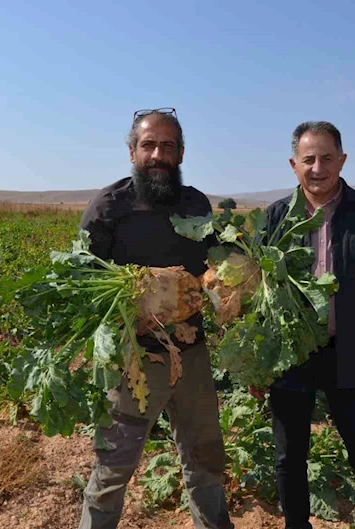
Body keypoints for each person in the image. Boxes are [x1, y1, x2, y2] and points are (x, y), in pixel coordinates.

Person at [77, 108, 234, 529]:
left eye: (167, 146)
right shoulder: (109, 206)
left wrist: (230, 284)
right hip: (134, 361)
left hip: (192, 354)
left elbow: (212, 266)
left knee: (205, 459)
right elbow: (83, 283)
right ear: (133, 151)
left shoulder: (196, 203)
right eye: (149, 145)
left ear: (181, 153)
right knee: (113, 469)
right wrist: (132, 309)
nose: (158, 154)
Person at [255, 121, 355, 529]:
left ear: (342, 160)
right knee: (290, 459)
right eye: (309, 159)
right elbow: (257, 298)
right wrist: (257, 364)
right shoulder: (273, 219)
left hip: (352, 353)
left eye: (326, 158)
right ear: (294, 165)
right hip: (291, 355)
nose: (317, 167)